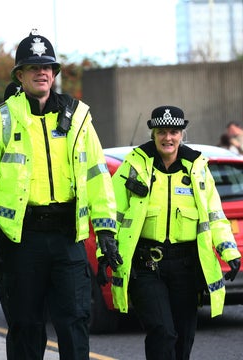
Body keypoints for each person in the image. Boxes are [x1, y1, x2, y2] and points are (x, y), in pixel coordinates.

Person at [0, 29, 122, 360]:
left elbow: (98, 177)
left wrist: (106, 233)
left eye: (48, 68)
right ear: (20, 75)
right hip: (21, 241)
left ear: (54, 74)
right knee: (26, 326)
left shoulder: (79, 116)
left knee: (74, 323)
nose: (42, 73)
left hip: (67, 238)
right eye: (33, 68)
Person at [109, 105, 241, 360]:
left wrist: (228, 250)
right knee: (161, 331)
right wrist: (107, 251)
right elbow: (113, 212)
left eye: (174, 131)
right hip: (147, 265)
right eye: (161, 132)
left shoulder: (198, 168)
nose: (167, 137)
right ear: (153, 134)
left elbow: (215, 215)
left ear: (182, 134)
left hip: (187, 266)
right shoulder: (134, 165)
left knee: (183, 337)